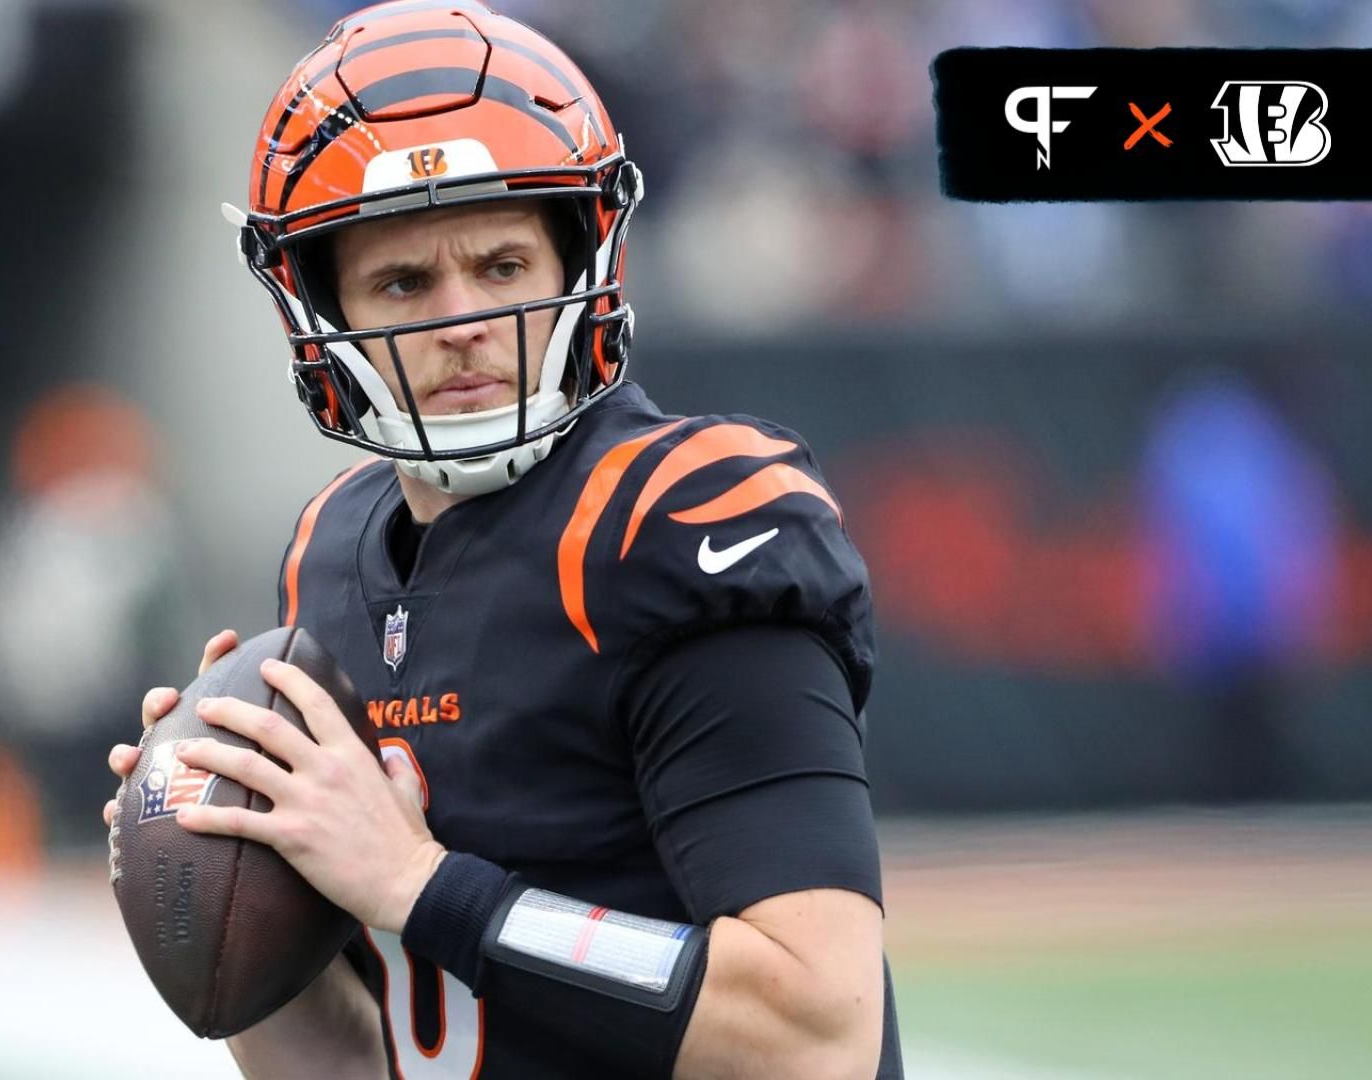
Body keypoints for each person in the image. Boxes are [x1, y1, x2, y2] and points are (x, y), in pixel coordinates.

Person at [104, 3, 900, 1076]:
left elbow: (818, 1031)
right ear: (321, 309)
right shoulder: (331, 551)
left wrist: (424, 887)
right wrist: (222, 875)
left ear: (578, 264)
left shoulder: (679, 519)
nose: (462, 317)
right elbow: (367, 1061)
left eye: (501, 264)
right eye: (402, 282)